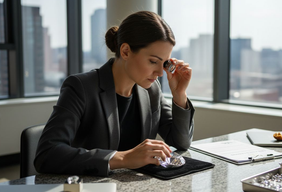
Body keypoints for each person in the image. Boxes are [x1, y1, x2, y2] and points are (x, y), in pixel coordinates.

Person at [34, 11, 195, 177]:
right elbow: (47, 154)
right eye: (153, 61)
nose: (160, 73)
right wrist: (123, 158)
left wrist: (179, 94)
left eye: (164, 63)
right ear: (125, 51)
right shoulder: (81, 87)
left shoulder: (152, 89)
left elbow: (181, 142)